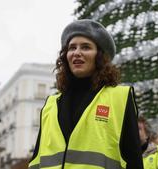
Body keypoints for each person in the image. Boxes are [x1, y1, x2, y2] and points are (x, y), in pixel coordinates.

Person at [28, 19, 143, 169]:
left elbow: (134, 161)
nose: (77, 53)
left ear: (100, 56)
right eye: (72, 48)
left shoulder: (120, 97)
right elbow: (36, 163)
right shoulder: (50, 105)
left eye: (86, 47)